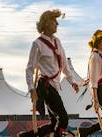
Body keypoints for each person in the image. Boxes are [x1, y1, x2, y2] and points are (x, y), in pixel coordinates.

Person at [19, 9, 79, 137]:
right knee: (63, 118)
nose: (57, 24)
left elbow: (64, 65)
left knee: (54, 123)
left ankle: (26, 136)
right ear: (46, 23)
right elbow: (30, 69)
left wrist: (72, 81)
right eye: (54, 21)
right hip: (45, 85)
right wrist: (31, 89)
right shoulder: (37, 44)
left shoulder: (58, 42)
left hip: (55, 85)